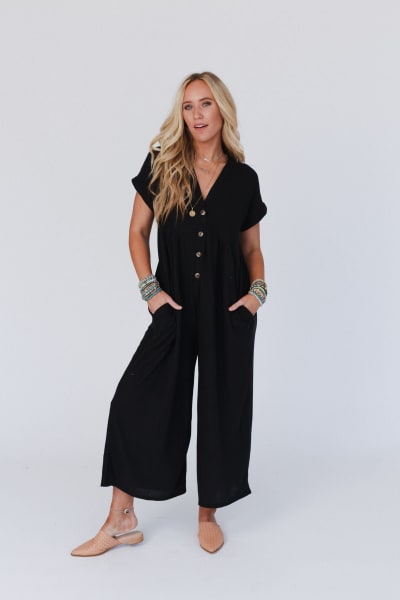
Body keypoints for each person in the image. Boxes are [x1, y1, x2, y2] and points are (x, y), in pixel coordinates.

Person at [71, 71, 267, 557]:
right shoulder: (163, 163)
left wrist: (256, 294)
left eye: (205, 104)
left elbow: (251, 249)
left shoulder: (244, 179)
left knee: (221, 409)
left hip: (228, 309)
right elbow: (137, 232)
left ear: (222, 109)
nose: (197, 115)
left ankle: (208, 513)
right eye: (188, 106)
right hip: (174, 307)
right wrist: (151, 291)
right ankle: (120, 519)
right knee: (134, 401)